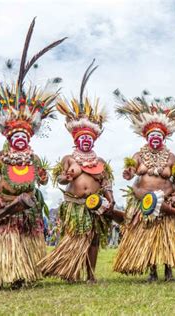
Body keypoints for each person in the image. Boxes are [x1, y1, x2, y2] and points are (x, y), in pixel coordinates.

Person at [0, 18, 66, 289]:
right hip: (7, 207)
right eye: (17, 137)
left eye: (25, 136)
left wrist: (46, 176)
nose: (21, 141)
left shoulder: (34, 158)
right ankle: (10, 276)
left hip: (28, 208)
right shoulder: (1, 158)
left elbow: (44, 182)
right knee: (9, 242)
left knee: (26, 241)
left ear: (29, 137)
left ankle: (24, 274)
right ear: (10, 137)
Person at [39, 60, 123, 283]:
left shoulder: (100, 160)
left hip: (96, 204)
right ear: (77, 140)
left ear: (93, 140)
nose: (86, 141)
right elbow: (58, 178)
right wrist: (63, 176)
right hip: (75, 205)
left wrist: (110, 199)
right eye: (82, 138)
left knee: (94, 240)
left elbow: (106, 183)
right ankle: (70, 271)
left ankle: (91, 274)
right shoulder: (69, 158)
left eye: (89, 138)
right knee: (74, 237)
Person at [113, 90, 175, 282]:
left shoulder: (171, 157)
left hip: (165, 202)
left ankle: (169, 271)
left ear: (163, 138)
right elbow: (130, 173)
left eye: (158, 136)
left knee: (165, 237)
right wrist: (128, 173)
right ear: (146, 137)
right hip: (144, 201)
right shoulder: (138, 156)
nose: (155, 138)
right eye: (151, 135)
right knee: (147, 237)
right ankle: (152, 272)